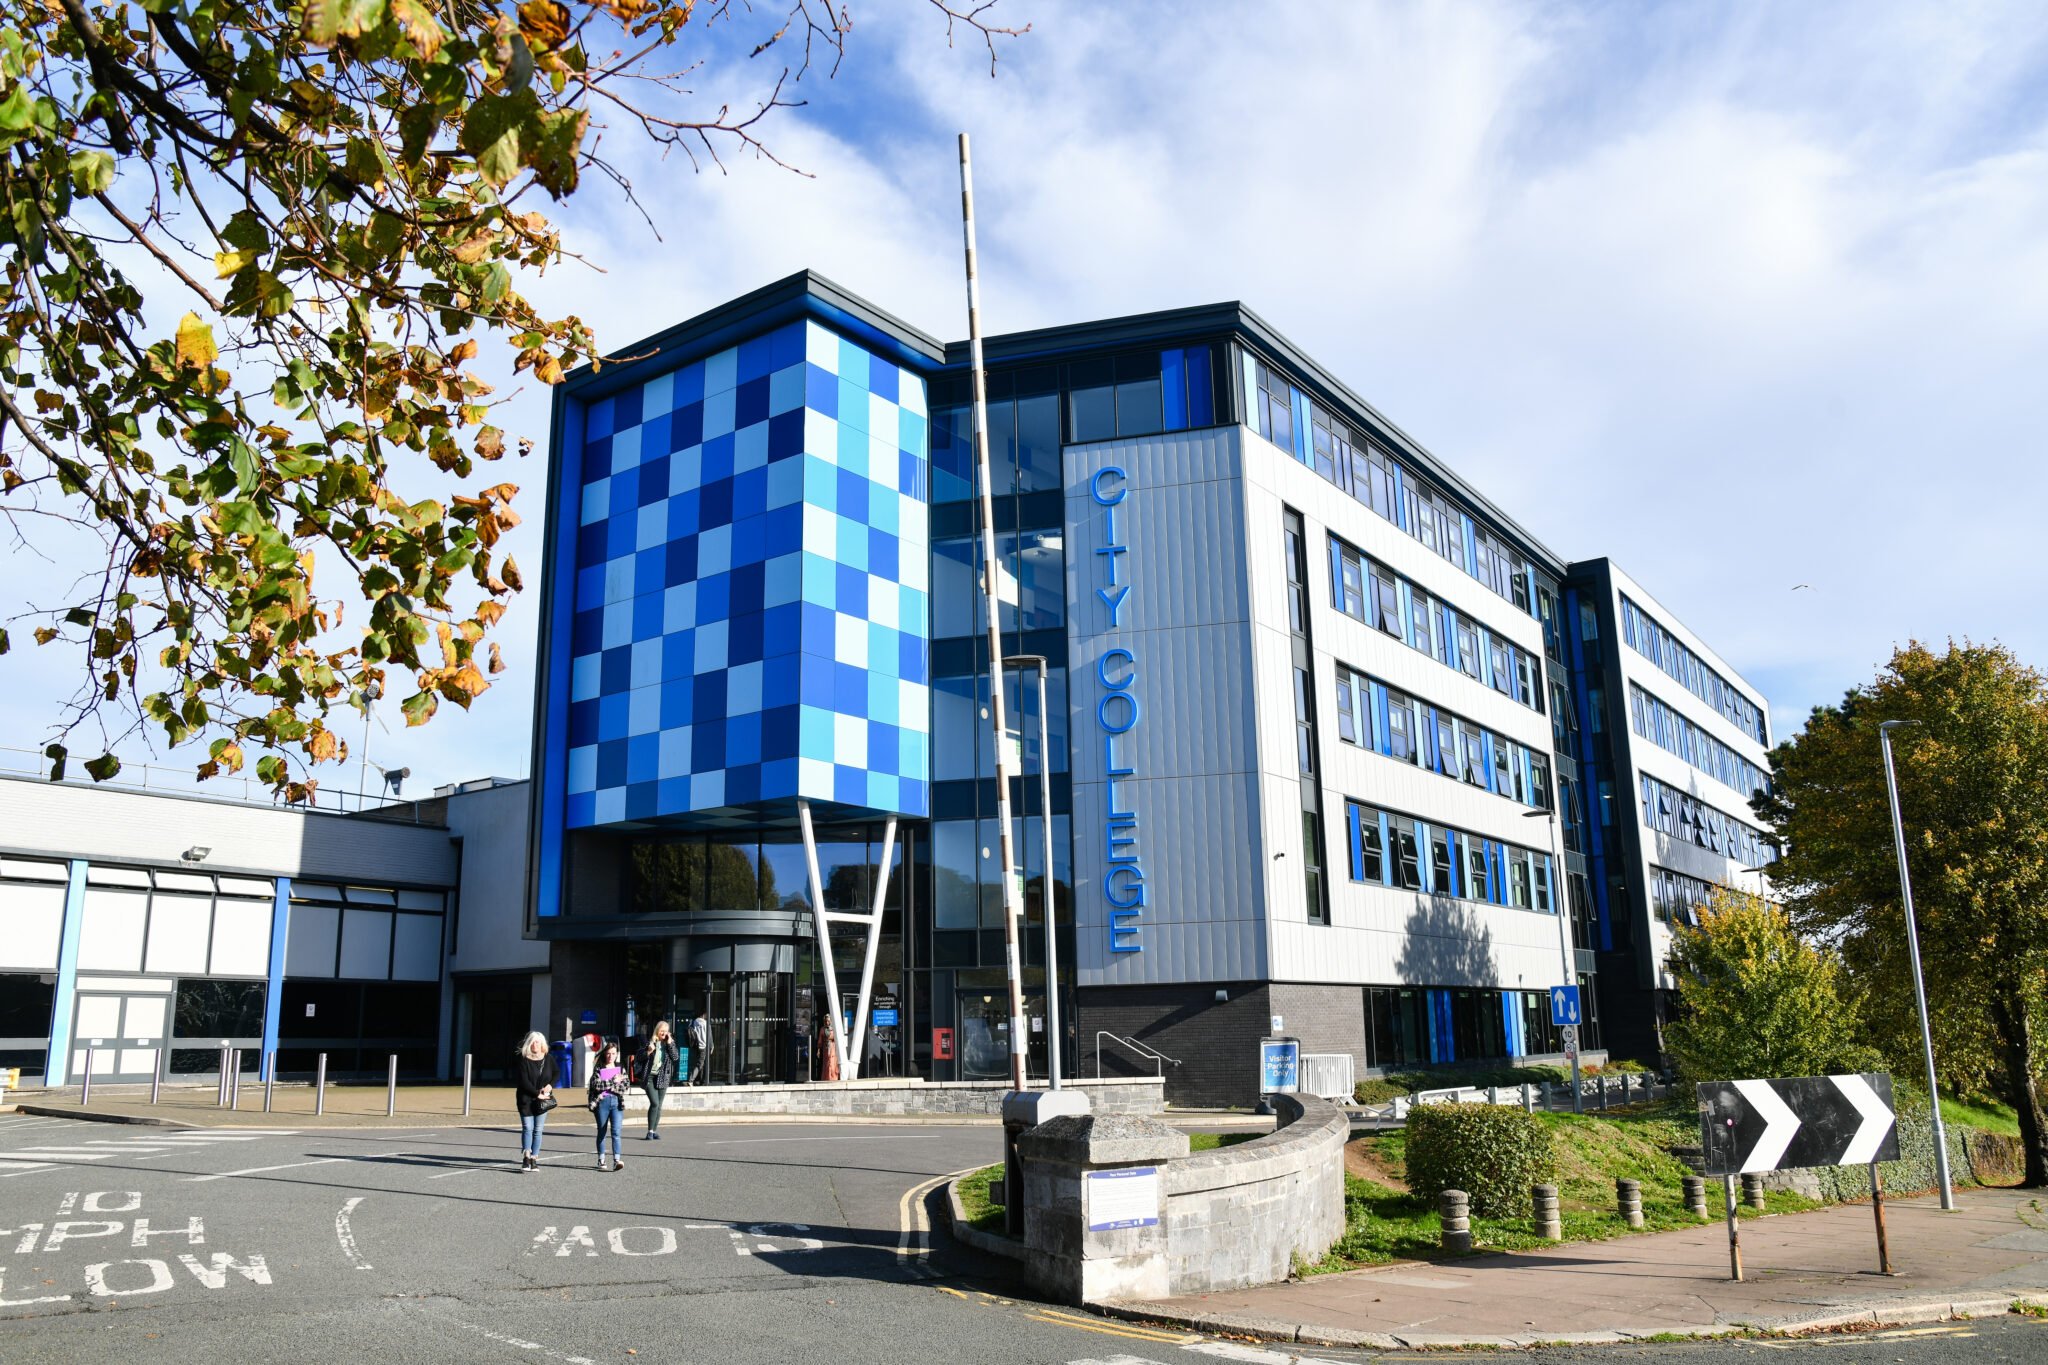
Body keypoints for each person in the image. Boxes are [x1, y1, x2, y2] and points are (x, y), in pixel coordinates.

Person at [514, 1032, 555, 1173]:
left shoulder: (548, 1059)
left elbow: (556, 1073)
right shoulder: (523, 1060)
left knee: (538, 1130)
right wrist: (537, 1094)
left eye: (537, 1042)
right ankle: (526, 1156)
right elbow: (523, 1081)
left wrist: (550, 1085)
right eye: (532, 1042)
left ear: (542, 1044)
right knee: (528, 1128)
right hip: (526, 1099)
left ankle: (534, 1158)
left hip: (542, 1101)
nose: (534, 1044)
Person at [587, 1042, 630, 1172]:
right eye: (608, 1053)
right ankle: (601, 1159)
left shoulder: (620, 1068)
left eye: (613, 1053)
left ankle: (617, 1160)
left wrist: (612, 1085)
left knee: (616, 1132)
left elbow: (625, 1085)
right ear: (605, 1054)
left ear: (616, 1054)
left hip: (616, 1102)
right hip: (602, 1102)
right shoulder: (599, 1068)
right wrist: (614, 1081)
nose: (611, 1056)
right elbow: (597, 1085)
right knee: (602, 1131)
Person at [639, 1021, 676, 1141]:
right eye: (662, 1031)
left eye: (666, 1031)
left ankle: (654, 1131)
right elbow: (639, 1057)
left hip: (663, 1077)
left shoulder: (669, 1044)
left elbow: (675, 1057)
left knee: (659, 1106)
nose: (664, 1033)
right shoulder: (650, 1042)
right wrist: (649, 1051)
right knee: (654, 1103)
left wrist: (670, 1043)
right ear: (657, 1031)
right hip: (650, 1076)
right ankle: (649, 1131)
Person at [688, 1011, 711, 1085]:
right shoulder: (705, 1023)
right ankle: (691, 1079)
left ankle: (701, 1080)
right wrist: (711, 1046)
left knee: (700, 1062)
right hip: (703, 1046)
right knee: (700, 1064)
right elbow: (709, 1036)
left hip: (696, 1046)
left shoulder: (694, 1022)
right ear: (704, 1014)